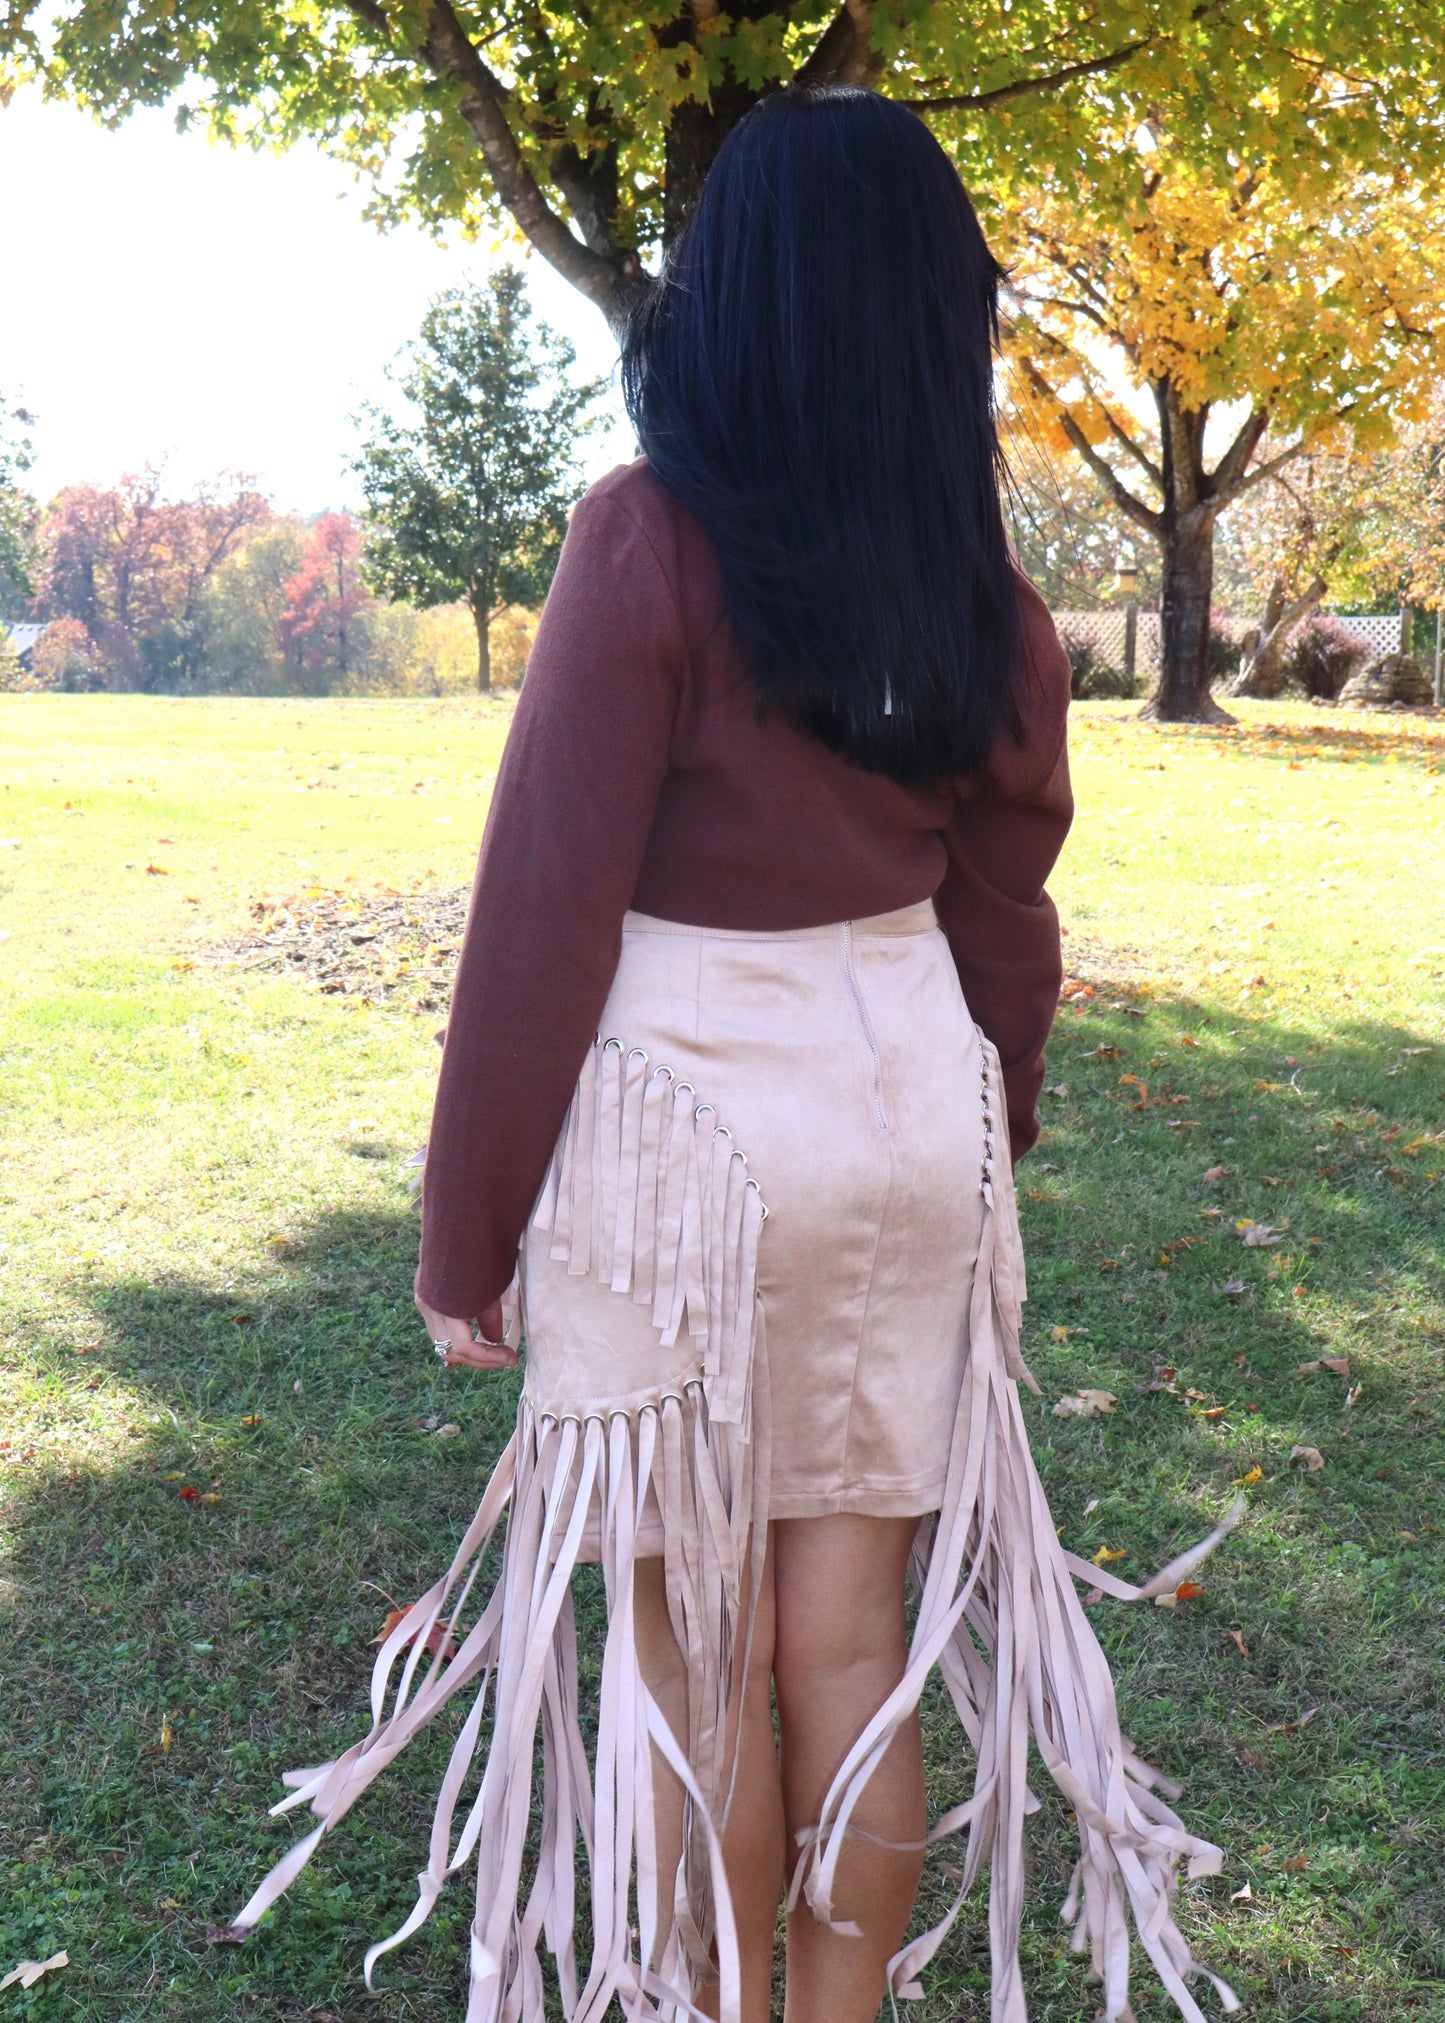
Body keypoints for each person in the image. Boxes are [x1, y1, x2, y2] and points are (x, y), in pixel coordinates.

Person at [231, 83, 1238, 2023]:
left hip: (689, 1123)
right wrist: (988, 1121)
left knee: (692, 1659)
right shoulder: (986, 599)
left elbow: (546, 913)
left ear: (735, 303)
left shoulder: (649, 548)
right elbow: (1006, 898)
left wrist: (468, 1237)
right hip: (902, 1112)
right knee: (855, 1644)